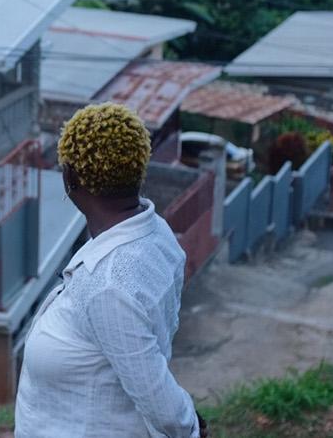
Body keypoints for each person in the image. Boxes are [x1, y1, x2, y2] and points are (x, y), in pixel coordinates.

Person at [14, 103, 206, 438]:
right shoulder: (157, 234)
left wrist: (189, 426)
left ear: (70, 177)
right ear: (138, 168)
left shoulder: (108, 284)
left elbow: (157, 398)